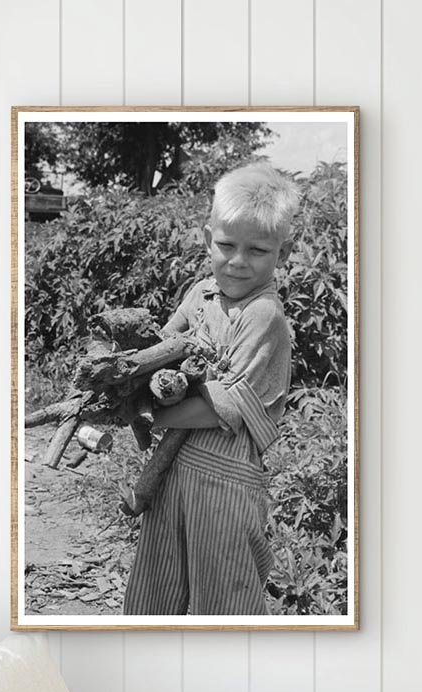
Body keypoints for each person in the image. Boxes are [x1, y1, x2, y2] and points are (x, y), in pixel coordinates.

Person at [123, 162, 299, 616]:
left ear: (282, 251)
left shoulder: (263, 315)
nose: (238, 261)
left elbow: (221, 409)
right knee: (158, 590)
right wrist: (135, 378)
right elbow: (163, 348)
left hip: (225, 480)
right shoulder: (201, 294)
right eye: (226, 245)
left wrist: (150, 415)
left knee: (224, 601)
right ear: (207, 239)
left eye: (257, 250)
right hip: (175, 471)